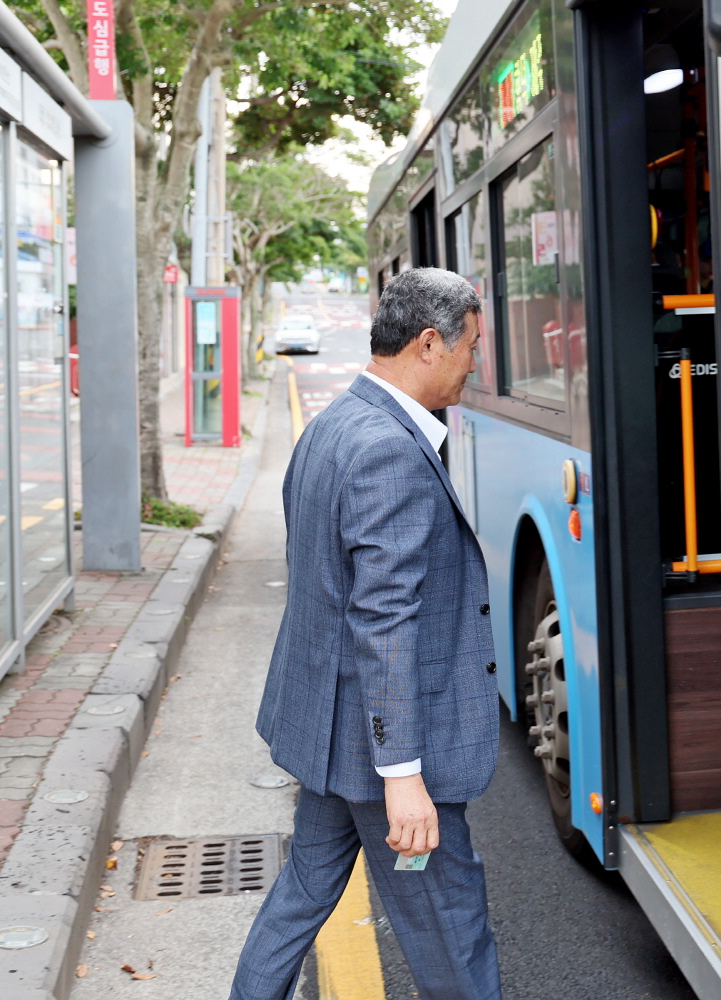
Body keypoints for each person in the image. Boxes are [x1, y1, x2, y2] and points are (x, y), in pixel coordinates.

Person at [230, 268, 500, 1000]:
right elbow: (383, 619)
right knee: (451, 929)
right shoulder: (388, 450)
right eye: (471, 348)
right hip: (386, 755)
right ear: (428, 343)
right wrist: (403, 776)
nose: (475, 367)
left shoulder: (332, 426)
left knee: (300, 898)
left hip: (325, 734)